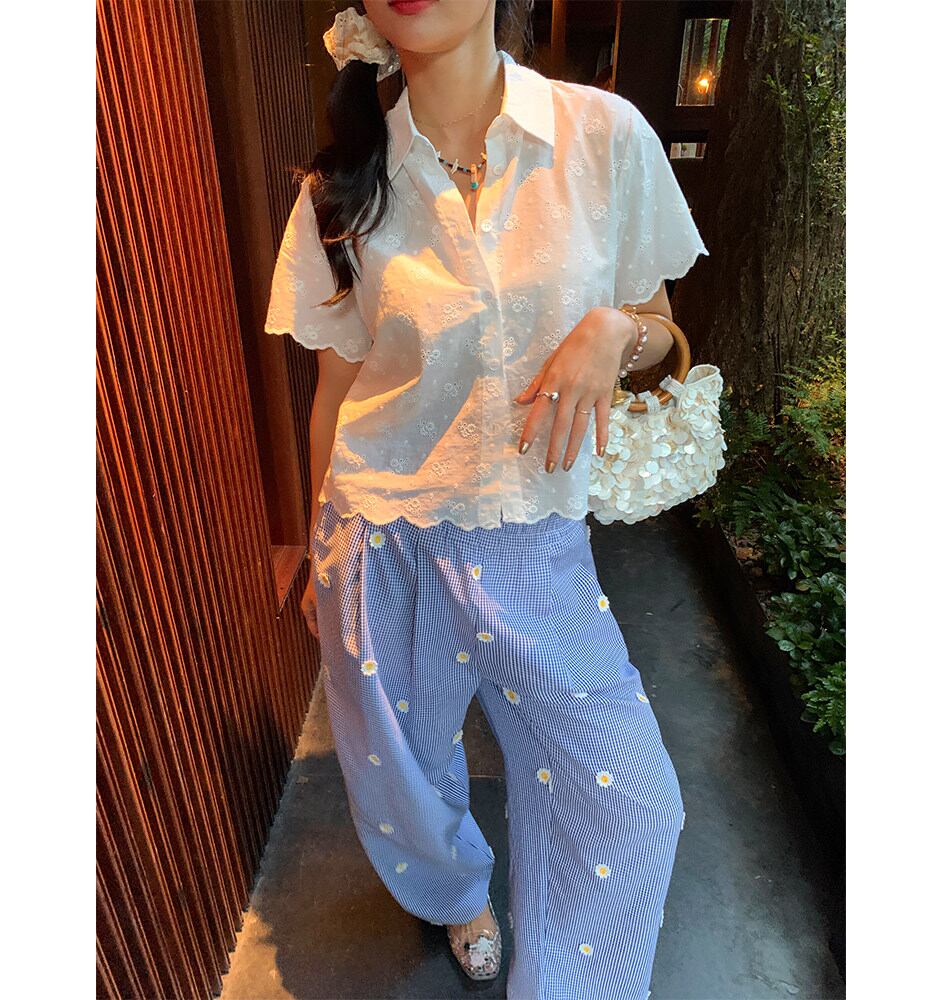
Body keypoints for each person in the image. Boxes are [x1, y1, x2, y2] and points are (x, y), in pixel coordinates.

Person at [264, 1, 708, 996]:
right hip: (379, 534)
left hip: (533, 540)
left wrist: (614, 332)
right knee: (402, 777)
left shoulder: (601, 137)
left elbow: (661, 325)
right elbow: (335, 390)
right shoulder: (340, 186)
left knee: (634, 802)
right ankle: (458, 893)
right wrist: (312, 547)